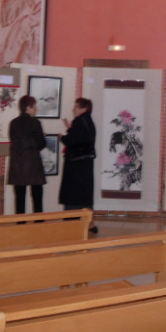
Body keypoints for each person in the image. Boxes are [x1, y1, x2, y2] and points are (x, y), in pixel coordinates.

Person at [58, 97, 98, 233]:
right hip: (85, 165)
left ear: (83, 109)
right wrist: (71, 129)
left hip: (76, 167)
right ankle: (90, 223)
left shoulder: (79, 121)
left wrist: (62, 137)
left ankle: (71, 225)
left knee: (73, 195)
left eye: (75, 107)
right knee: (85, 196)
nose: (73, 110)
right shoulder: (88, 121)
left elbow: (72, 141)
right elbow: (82, 139)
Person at [7, 95, 46, 218]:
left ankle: (20, 222)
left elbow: (13, 139)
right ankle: (38, 222)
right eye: (34, 107)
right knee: (37, 196)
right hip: (33, 164)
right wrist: (41, 137)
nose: (36, 109)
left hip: (17, 164)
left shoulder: (13, 123)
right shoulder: (35, 123)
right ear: (28, 108)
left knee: (19, 197)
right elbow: (41, 144)